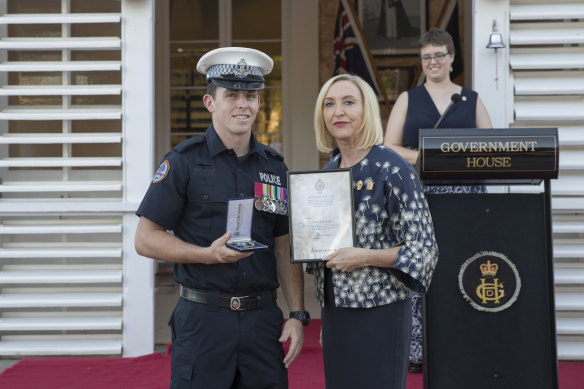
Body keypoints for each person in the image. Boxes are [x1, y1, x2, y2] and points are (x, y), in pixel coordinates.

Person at [134, 47, 308, 389]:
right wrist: (206, 255)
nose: (242, 104)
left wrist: (298, 314)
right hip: (203, 321)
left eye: (251, 96)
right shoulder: (182, 162)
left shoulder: (274, 167)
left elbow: (285, 245)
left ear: (259, 103)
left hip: (262, 322)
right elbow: (145, 238)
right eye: (231, 95)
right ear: (210, 102)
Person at [309, 73, 439, 389]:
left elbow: (423, 251)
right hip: (335, 311)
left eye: (348, 102)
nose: (337, 112)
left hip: (380, 310)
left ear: (366, 110)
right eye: (329, 104)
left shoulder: (394, 169)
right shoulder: (324, 176)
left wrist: (364, 257)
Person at [383, 27, 493, 373]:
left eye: (439, 55)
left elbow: (489, 148)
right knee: (419, 268)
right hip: (420, 197)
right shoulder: (407, 99)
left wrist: (454, 157)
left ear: (452, 58)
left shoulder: (471, 99)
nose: (433, 62)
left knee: (462, 265)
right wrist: (428, 155)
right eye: (426, 57)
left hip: (467, 197)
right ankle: (417, 349)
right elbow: (388, 148)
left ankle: (462, 345)